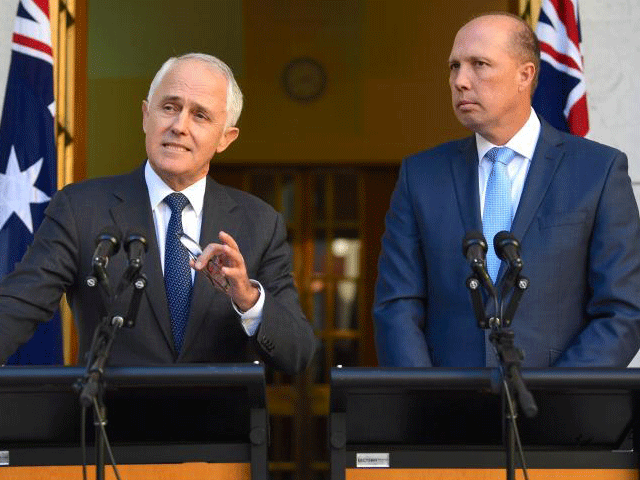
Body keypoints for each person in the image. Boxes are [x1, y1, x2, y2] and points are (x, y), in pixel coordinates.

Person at [0, 53, 317, 374]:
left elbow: (299, 354)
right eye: (169, 107)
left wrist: (248, 299)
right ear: (145, 116)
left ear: (225, 138)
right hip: (110, 420)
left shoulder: (259, 222)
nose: (179, 126)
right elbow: (19, 305)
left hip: (219, 422)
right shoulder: (80, 207)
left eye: (200, 116)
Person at [374, 13, 640, 368]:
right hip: (447, 412)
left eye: (479, 64)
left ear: (525, 75)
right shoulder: (420, 175)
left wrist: (558, 398)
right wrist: (428, 398)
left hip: (558, 413)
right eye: (454, 66)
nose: (460, 81)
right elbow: (397, 305)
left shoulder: (597, 172)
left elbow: (622, 309)